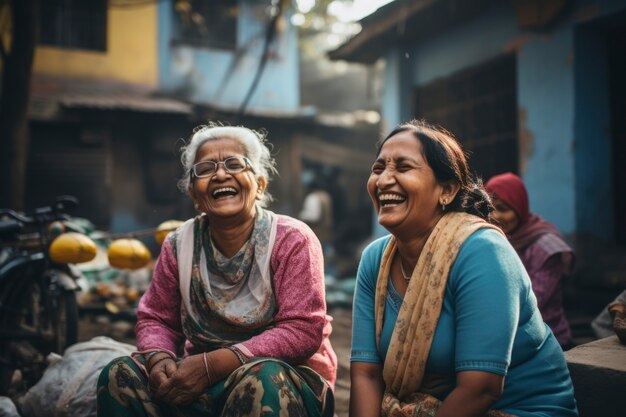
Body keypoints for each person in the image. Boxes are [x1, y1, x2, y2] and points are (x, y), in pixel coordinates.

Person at [97, 124, 337, 417]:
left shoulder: (292, 239)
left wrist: (215, 365)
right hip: (197, 384)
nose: (221, 175)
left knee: (262, 379)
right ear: (194, 195)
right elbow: (156, 317)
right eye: (206, 168)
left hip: (283, 381)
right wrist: (159, 360)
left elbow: (302, 329)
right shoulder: (178, 244)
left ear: (260, 184)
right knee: (118, 374)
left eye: (235, 164)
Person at [350, 120, 578, 417]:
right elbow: (366, 374)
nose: (383, 181)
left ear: (446, 190)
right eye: (378, 168)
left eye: (403, 168)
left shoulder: (482, 252)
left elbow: (480, 388)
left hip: (515, 410)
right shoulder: (375, 260)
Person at [485, 172, 574, 349]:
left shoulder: (547, 248)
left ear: (520, 208)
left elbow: (532, 302)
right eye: (489, 208)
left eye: (503, 208)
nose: (495, 216)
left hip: (547, 339)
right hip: (505, 336)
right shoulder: (491, 239)